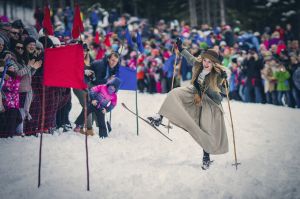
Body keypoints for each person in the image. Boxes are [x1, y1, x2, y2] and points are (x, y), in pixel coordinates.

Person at [148, 38, 229, 170]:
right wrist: (180, 48)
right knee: (174, 93)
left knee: (205, 128)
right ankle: (159, 117)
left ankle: (206, 157)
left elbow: (219, 98)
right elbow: (190, 58)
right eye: (205, 60)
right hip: (193, 92)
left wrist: (223, 81)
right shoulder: (199, 64)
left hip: (209, 101)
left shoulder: (218, 75)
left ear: (214, 63)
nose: (206, 63)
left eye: (209, 62)